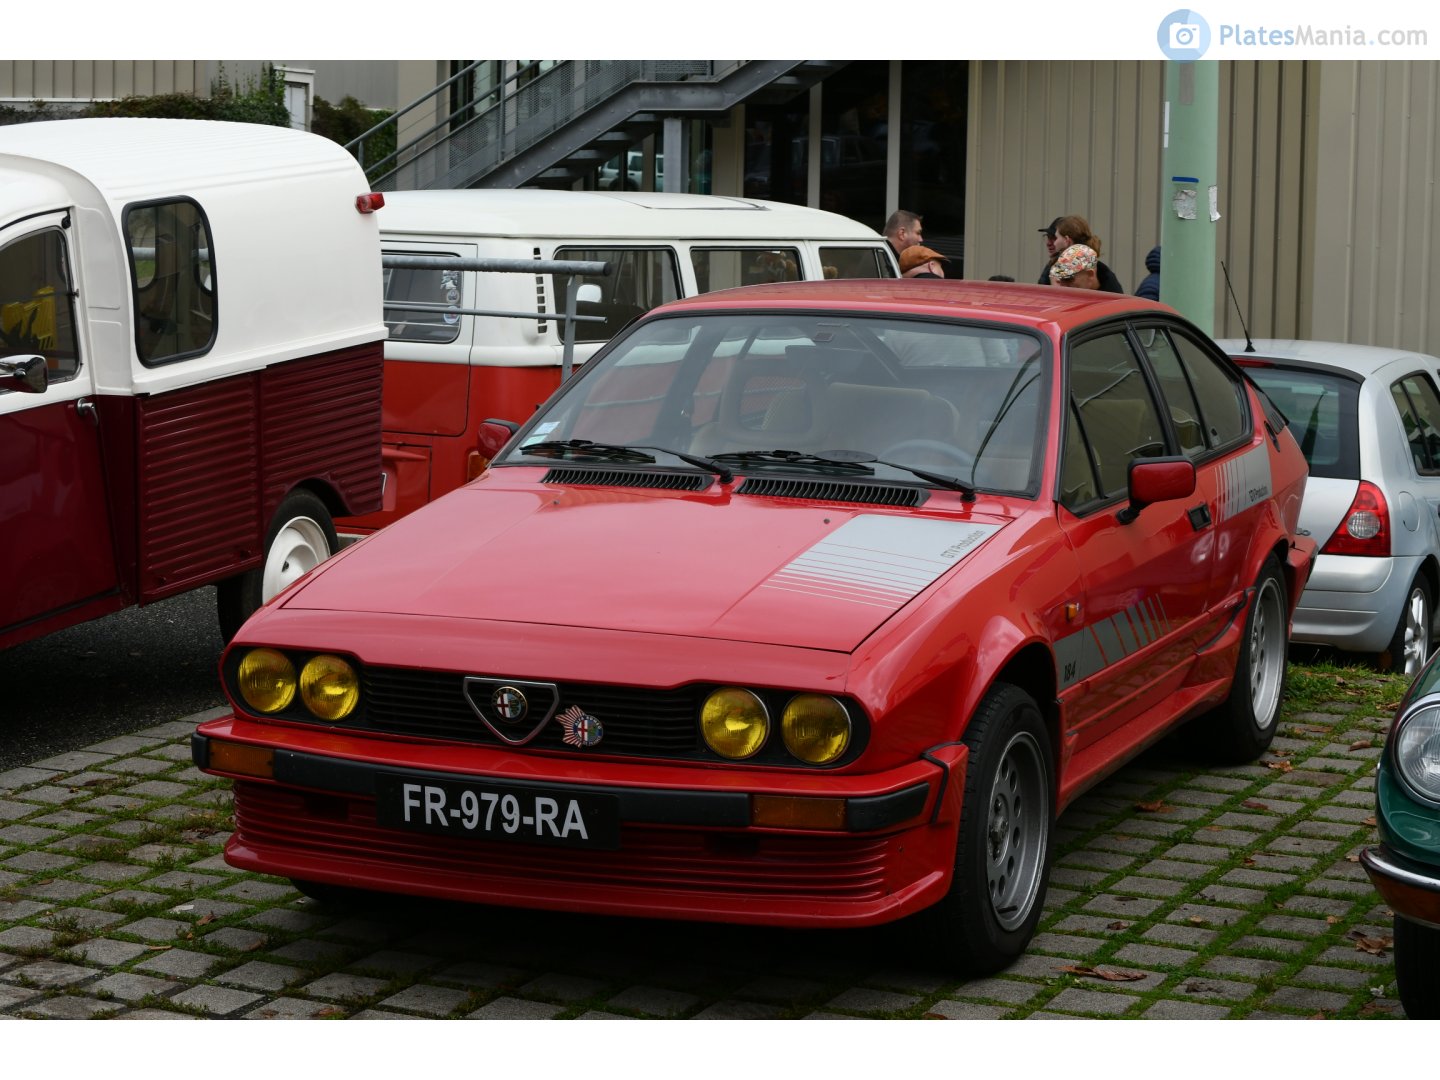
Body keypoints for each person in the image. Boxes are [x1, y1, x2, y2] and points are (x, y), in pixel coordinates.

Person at [1049, 214, 1124, 293]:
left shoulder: (1111, 291)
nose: (1061, 285)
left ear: (1090, 275)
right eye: (1059, 279)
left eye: (1068, 279)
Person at [884, 210, 926, 275]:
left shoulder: (881, 256)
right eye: (918, 233)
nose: (921, 239)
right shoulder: (884, 262)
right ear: (902, 234)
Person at [1036, 217, 1062, 284]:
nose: (1048, 243)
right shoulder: (1052, 263)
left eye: (1054, 238)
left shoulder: (1066, 267)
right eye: (1048, 237)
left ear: (1067, 240)